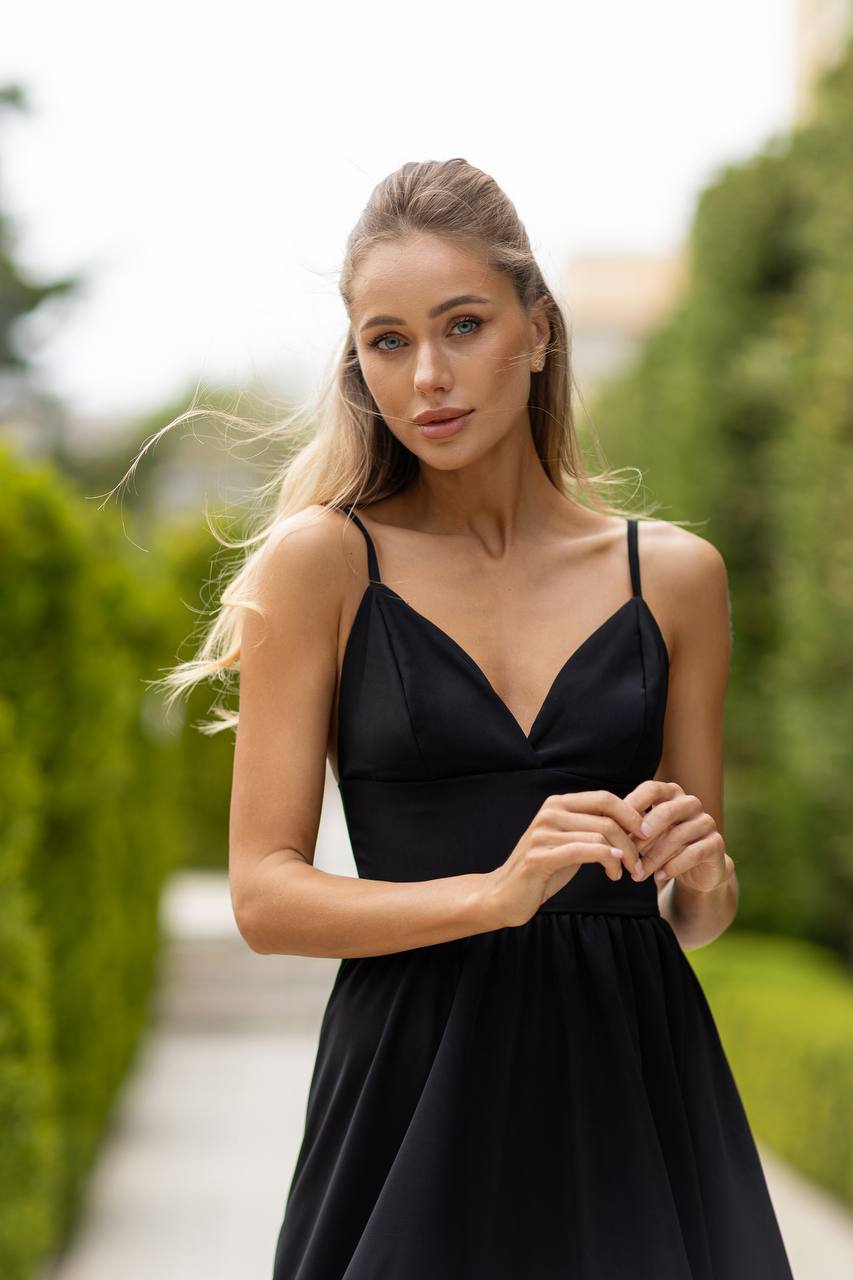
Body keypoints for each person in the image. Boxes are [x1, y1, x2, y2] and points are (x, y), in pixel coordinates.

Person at [162, 159, 795, 1277]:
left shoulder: (676, 577)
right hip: (410, 1086)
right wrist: (494, 896)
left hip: (633, 1086)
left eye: (462, 325)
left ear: (537, 330)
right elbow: (262, 895)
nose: (427, 378)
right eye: (387, 341)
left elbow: (689, 913)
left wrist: (705, 876)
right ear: (357, 359)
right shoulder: (324, 564)